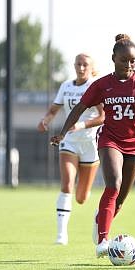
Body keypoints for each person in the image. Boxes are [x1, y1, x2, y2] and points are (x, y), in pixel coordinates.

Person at [50, 34, 135, 258]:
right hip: (110, 140)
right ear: (113, 58)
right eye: (124, 60)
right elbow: (79, 108)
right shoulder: (102, 85)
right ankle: (103, 241)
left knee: (120, 199)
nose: (129, 65)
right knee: (113, 184)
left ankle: (100, 219)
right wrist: (62, 133)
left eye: (133, 61)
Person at [38, 53, 105, 245]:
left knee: (82, 198)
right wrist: (45, 121)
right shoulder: (66, 86)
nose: (81, 68)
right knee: (66, 185)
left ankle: (88, 202)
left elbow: (103, 117)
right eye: (78, 64)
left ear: (91, 68)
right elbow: (53, 110)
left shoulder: (95, 86)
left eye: (85, 65)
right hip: (69, 141)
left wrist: (82, 125)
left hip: (90, 144)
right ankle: (61, 235)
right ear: (74, 65)